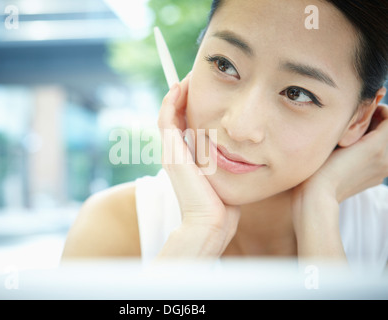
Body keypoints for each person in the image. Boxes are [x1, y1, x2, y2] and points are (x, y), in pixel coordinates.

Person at [62, 0, 388, 273]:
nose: (239, 126)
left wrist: (319, 209)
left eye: (297, 93)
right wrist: (199, 235)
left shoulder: (380, 236)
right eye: (224, 65)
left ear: (359, 118)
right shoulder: (114, 227)